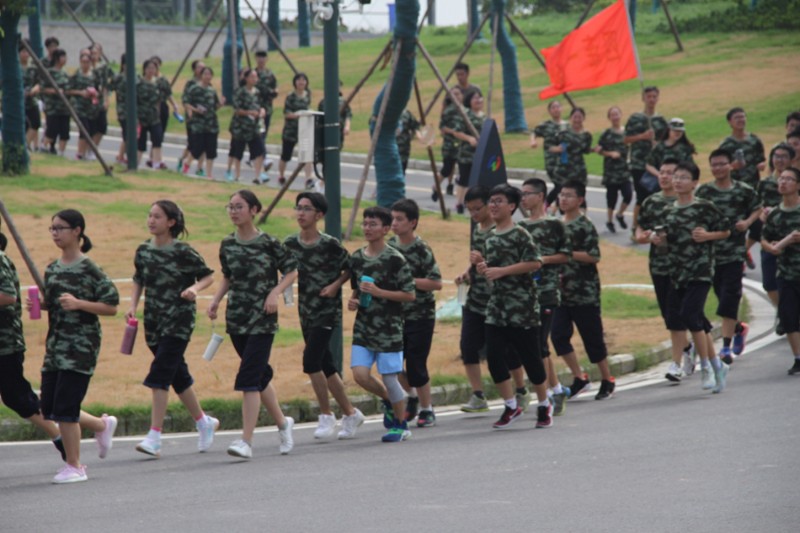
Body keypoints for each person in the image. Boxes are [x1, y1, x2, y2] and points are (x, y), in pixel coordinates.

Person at [126, 200, 218, 458]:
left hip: (179, 321)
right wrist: (132, 306)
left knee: (160, 373)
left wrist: (194, 289)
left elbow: (208, 275)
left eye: (157, 216)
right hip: (153, 321)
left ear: (171, 222)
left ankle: (154, 435)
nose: (151, 220)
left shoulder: (184, 251)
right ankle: (203, 422)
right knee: (177, 374)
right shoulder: (143, 250)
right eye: (149, 215)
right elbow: (138, 280)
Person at [208, 191, 296, 458]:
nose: (234, 212)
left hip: (262, 320)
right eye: (230, 207)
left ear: (254, 210)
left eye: (239, 207)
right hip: (236, 319)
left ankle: (246, 441)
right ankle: (283, 422)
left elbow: (291, 271)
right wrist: (215, 300)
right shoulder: (227, 244)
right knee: (258, 376)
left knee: (248, 378)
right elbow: (227, 277)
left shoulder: (269, 242)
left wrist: (274, 292)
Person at [36, 209, 119, 483]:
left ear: (77, 231)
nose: (55, 233)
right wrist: (42, 305)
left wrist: (80, 303)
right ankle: (101, 425)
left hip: (81, 347)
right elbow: (54, 303)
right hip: (56, 345)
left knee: (67, 407)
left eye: (60, 228)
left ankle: (75, 466)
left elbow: (111, 305)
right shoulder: (52, 268)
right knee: (48, 407)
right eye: (52, 229)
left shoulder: (89, 268)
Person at [283, 192, 365, 440]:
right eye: (298, 208)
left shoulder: (330, 244)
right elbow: (282, 268)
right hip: (305, 310)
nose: (301, 213)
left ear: (319, 215)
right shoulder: (290, 244)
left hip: (327, 312)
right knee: (327, 366)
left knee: (311, 362)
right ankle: (351, 413)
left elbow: (351, 268)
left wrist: (336, 285)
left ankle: (326, 414)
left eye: (307, 209)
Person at [476, 184, 553, 429]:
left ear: (512, 206)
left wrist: (502, 271)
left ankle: (544, 404)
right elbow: (493, 271)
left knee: (531, 359)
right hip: (497, 308)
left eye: (499, 201)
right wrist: (484, 268)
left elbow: (535, 262)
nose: (494, 205)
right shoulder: (489, 237)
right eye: (491, 201)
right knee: (494, 357)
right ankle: (511, 405)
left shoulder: (521, 234)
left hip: (522, 307)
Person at [347, 206, 416, 443]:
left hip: (389, 329)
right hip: (364, 327)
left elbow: (409, 295)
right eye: (365, 223)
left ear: (386, 229)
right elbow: (356, 288)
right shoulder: (356, 257)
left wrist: (379, 292)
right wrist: (354, 300)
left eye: (373, 224)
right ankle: (389, 400)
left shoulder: (395, 259)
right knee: (360, 375)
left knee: (389, 377)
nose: (367, 228)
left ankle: (401, 424)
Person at [663, 161, 731, 393]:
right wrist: (658, 240)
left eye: (683, 177)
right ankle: (717, 365)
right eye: (676, 177)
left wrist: (707, 235)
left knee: (690, 316)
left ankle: (706, 368)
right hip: (677, 272)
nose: (678, 181)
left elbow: (726, 230)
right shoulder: (669, 211)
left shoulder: (705, 207)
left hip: (700, 271)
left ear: (694, 183)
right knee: (697, 322)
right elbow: (666, 240)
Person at [0, 221, 66, 461]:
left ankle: (60, 436)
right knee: (18, 394)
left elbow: (8, 295)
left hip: (5, 343)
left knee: (16, 395)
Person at [551, 180, 616, 400]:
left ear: (580, 200)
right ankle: (580, 377)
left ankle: (607, 379)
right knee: (558, 336)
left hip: (584, 291)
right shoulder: (555, 224)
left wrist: (567, 254)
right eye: (561, 195)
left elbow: (593, 256)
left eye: (568, 195)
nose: (563, 199)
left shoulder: (584, 225)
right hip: (561, 292)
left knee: (592, 338)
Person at [696, 149, 762, 363]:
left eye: (722, 164)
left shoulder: (743, 190)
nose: (718, 168)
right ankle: (738, 328)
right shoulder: (705, 191)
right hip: (712, 254)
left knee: (729, 298)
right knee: (720, 295)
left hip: (735, 252)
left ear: (731, 165)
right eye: (714, 165)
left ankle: (725, 348)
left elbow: (757, 208)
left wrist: (747, 223)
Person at [635, 158, 694, 382]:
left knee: (676, 315)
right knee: (668, 316)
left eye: (670, 172)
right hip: (659, 265)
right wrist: (645, 236)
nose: (664, 176)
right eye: (661, 172)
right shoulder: (651, 202)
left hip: (683, 267)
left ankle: (675, 364)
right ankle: (687, 347)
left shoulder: (687, 202)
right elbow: (640, 229)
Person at [518, 178, 572, 415]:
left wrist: (543, 260)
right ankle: (554, 389)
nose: (523, 198)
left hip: (547, 292)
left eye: (528, 194)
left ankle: (552, 391)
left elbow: (566, 255)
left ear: (540, 196)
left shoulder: (554, 224)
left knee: (539, 344)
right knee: (535, 345)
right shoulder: (520, 227)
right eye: (522, 194)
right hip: (523, 294)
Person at [388, 199, 443, 427]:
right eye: (392, 219)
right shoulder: (390, 246)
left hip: (420, 315)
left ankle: (427, 408)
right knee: (394, 363)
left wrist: (408, 282)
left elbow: (436, 282)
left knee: (416, 364)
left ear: (413, 223)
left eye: (400, 219)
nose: (394, 224)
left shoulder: (421, 249)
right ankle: (410, 398)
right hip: (394, 315)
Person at [761, 167, 800, 375]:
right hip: (786, 273)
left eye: (789, 179)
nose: (783, 182)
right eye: (781, 179)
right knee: (789, 316)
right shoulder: (775, 214)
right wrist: (772, 248)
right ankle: (797, 357)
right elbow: (764, 239)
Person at [719, 107, 766, 267]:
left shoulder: (754, 140)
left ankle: (744, 251)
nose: (741, 120)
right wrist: (733, 166)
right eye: (737, 118)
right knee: (737, 227)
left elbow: (763, 159)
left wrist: (761, 165)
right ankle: (738, 258)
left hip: (754, 190)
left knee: (758, 226)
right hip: (735, 193)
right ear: (730, 122)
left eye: (743, 117)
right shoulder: (726, 144)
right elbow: (719, 169)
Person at [624, 85, 669, 234]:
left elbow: (667, 141)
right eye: (648, 96)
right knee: (641, 197)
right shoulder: (635, 118)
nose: (651, 99)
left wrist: (658, 143)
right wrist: (642, 136)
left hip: (656, 165)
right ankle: (635, 227)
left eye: (654, 96)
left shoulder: (661, 120)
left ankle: (654, 226)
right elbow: (625, 139)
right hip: (639, 164)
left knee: (658, 196)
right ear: (643, 98)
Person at [758, 144, 796, 306]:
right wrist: (762, 214)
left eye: (783, 156)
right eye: (776, 156)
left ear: (791, 160)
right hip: (771, 236)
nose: (779, 160)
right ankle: (783, 312)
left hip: (793, 243)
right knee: (769, 283)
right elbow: (756, 209)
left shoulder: (796, 182)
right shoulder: (764, 184)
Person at [225, 69, 269, 184]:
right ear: (246, 78)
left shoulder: (257, 92)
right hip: (241, 127)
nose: (254, 79)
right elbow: (237, 109)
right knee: (238, 151)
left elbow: (261, 106)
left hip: (254, 127)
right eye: (252, 77)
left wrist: (262, 111)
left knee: (259, 151)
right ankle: (237, 175)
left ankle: (257, 175)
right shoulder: (240, 92)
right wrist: (249, 112)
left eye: (255, 77)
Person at [595, 106, 633, 233]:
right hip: (611, 171)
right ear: (609, 118)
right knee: (612, 197)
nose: (615, 117)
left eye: (617, 114)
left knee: (628, 194)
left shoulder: (627, 132)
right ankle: (610, 221)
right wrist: (609, 153)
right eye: (612, 115)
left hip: (624, 170)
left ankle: (620, 214)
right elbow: (599, 150)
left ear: (621, 115)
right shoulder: (606, 133)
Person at [450, 90, 486, 214]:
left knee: (477, 183)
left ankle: (474, 204)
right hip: (466, 155)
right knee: (464, 180)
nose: (478, 100)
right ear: (469, 101)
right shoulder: (466, 115)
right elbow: (456, 132)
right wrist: (469, 138)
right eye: (475, 98)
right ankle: (459, 203)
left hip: (480, 155)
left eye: (480, 97)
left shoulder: (485, 116)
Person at [183, 66, 221, 180]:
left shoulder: (212, 90)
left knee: (211, 149)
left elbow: (215, 106)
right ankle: (186, 165)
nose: (207, 77)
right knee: (196, 148)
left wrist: (221, 104)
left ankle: (209, 174)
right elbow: (186, 103)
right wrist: (195, 110)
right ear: (201, 76)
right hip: (198, 124)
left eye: (209, 74)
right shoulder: (194, 89)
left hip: (211, 124)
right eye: (205, 74)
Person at [550, 107, 592, 210]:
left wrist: (594, 149)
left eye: (580, 117)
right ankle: (554, 216)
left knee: (580, 194)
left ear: (583, 118)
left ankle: (582, 220)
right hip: (564, 169)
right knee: (563, 194)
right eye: (575, 117)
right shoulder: (562, 133)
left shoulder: (587, 135)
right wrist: (557, 149)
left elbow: (586, 150)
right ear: (570, 118)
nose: (577, 119)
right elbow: (550, 147)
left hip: (579, 170)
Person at [278, 72, 312, 186]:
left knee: (307, 154)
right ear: (295, 82)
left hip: (304, 130)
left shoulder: (308, 95)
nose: (301, 82)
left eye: (303, 80)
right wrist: (298, 115)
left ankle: (308, 179)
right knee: (286, 155)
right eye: (299, 80)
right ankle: (281, 175)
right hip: (291, 130)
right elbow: (286, 113)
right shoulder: (290, 96)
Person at [530, 100, 567, 202]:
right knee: (560, 185)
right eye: (553, 108)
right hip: (551, 162)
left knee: (564, 187)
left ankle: (559, 208)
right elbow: (534, 132)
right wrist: (533, 141)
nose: (556, 109)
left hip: (565, 161)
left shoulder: (566, 125)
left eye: (558, 107)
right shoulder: (546, 125)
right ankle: (546, 204)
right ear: (549, 111)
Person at [67, 52, 101, 161]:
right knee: (84, 129)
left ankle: (86, 152)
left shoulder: (94, 75)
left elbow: (99, 89)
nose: (85, 64)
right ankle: (79, 153)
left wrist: (95, 94)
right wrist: (80, 92)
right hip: (79, 106)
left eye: (87, 62)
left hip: (91, 107)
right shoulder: (77, 75)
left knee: (91, 130)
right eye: (83, 62)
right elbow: (68, 90)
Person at [432, 86, 463, 202]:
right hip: (449, 145)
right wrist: (453, 132)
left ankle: (450, 185)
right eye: (454, 94)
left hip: (461, 145)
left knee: (455, 167)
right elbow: (442, 127)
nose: (457, 96)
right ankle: (436, 186)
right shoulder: (448, 110)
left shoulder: (464, 110)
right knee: (447, 168)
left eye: (458, 94)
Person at [178, 59, 207, 175]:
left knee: (204, 143)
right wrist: (191, 111)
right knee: (192, 144)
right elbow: (185, 100)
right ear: (194, 69)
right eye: (199, 67)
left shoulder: (207, 82)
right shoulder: (191, 83)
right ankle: (182, 159)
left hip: (204, 119)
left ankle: (200, 168)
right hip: (193, 118)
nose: (202, 70)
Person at [41, 48, 71, 157]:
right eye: (63, 57)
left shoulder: (65, 73)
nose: (65, 59)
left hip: (65, 108)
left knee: (65, 131)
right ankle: (43, 147)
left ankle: (61, 153)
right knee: (52, 130)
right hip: (53, 107)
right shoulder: (50, 72)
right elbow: (43, 88)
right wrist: (55, 91)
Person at [136, 59, 165, 169]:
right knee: (141, 143)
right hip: (142, 117)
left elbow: (160, 99)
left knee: (157, 139)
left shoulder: (158, 83)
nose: (151, 70)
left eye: (153, 68)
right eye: (149, 68)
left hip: (154, 117)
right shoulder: (139, 83)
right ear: (144, 69)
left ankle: (156, 164)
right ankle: (136, 164)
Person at [254, 49, 278, 172]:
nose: (261, 60)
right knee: (258, 134)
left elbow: (275, 90)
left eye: (263, 57)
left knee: (263, 134)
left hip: (267, 108)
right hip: (254, 109)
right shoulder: (253, 74)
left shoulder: (270, 74)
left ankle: (258, 156)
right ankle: (262, 156)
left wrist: (270, 93)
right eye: (259, 57)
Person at [88, 43, 112, 154]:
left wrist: (106, 99)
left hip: (100, 100)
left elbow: (106, 84)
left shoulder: (103, 67)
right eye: (92, 53)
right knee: (91, 128)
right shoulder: (87, 67)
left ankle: (93, 148)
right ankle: (87, 149)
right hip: (88, 102)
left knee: (102, 127)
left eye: (96, 53)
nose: (94, 56)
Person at [19, 40, 41, 152]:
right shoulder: (14, 66)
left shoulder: (33, 66)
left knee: (36, 123)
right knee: (22, 125)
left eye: (28, 51)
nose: (26, 54)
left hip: (31, 99)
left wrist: (35, 89)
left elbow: (39, 81)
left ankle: (25, 145)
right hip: (18, 101)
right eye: (23, 51)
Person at [395, 109, 421, 176]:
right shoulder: (387, 112)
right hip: (390, 150)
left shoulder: (406, 114)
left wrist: (420, 138)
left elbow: (415, 127)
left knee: (401, 173)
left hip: (403, 150)